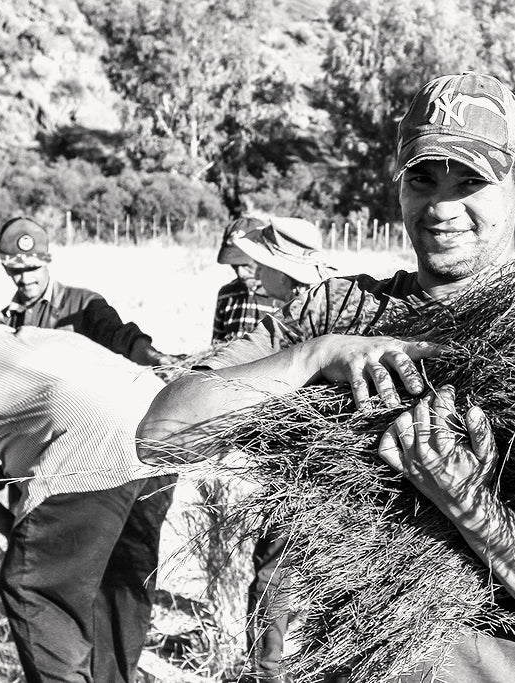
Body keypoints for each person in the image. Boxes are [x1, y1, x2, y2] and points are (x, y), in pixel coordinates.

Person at [137, 72, 515, 682]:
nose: (442, 207)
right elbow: (161, 436)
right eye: (423, 179)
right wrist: (314, 358)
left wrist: (463, 500)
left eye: (471, 182)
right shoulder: (336, 312)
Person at [0, 308, 176, 683]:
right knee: (116, 586)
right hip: (160, 442)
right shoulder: (54, 337)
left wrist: (14, 531)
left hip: (88, 459)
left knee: (33, 587)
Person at [210, 214, 334, 678]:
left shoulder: (313, 319)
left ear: (283, 272)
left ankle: (265, 673)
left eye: (262, 263)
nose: (254, 271)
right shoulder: (308, 308)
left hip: (313, 472)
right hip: (296, 466)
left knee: (273, 575)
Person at [0, 216, 176, 365]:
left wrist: (154, 358)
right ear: (6, 269)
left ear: (46, 262)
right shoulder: (5, 323)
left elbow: (122, 338)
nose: (26, 278)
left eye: (33, 268)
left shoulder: (84, 304)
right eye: (17, 270)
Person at [212, 215, 333, 343]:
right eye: (234, 266)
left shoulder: (308, 315)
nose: (256, 275)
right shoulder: (308, 304)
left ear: (282, 273)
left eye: (260, 266)